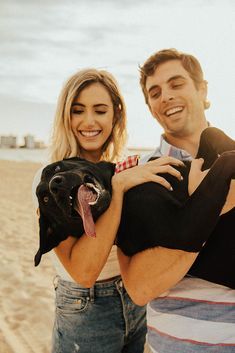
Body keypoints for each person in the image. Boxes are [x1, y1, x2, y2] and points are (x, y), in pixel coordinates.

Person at [33, 68, 186, 353]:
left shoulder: (127, 166)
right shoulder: (52, 181)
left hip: (136, 302)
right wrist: (118, 188)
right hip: (86, 309)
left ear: (116, 114)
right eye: (78, 111)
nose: (89, 121)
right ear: (66, 115)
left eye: (100, 110)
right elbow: (84, 271)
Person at [117, 49, 235, 352]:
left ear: (202, 89)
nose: (165, 96)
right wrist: (212, 201)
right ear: (150, 107)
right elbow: (140, 288)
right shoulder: (137, 175)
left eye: (176, 84)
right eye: (154, 93)